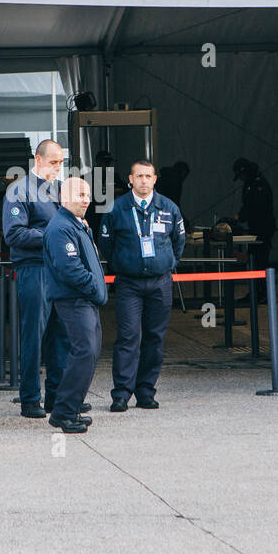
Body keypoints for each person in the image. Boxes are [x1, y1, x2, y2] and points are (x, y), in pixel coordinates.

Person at [98, 160, 186, 411]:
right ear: (130, 179)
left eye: (148, 176)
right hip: (129, 284)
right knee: (128, 337)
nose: (144, 181)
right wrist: (120, 263)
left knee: (155, 338)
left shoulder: (169, 208)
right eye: (139, 176)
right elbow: (105, 242)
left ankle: (146, 391)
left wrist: (167, 262)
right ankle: (122, 394)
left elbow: (179, 241)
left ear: (155, 179)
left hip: (160, 283)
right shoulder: (117, 208)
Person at [1, 139, 75, 419]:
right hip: (35, 268)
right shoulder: (18, 191)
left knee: (61, 335)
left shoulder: (60, 189)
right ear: (38, 159)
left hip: (58, 270)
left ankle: (58, 398)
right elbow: (15, 234)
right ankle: (30, 397)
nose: (58, 167)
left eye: (61, 162)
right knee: (34, 334)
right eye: (53, 161)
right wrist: (53, 237)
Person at [43, 177, 109, 434]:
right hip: (75, 300)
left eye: (87, 195)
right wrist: (94, 287)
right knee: (84, 352)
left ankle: (68, 409)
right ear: (64, 196)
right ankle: (64, 412)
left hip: (85, 300)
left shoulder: (77, 225)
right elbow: (69, 268)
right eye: (80, 194)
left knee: (89, 353)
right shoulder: (61, 228)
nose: (85, 199)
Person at [232, 158, 277, 273]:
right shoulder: (252, 183)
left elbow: (255, 206)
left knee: (260, 260)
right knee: (254, 258)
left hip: (262, 228)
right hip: (257, 227)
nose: (241, 179)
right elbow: (248, 204)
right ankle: (256, 289)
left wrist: (241, 217)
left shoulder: (257, 184)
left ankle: (260, 290)